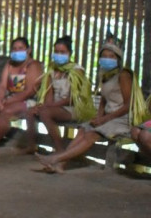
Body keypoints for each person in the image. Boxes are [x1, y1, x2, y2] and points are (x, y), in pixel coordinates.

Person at [36, 40, 139, 174]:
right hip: (108, 117)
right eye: (104, 56)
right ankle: (60, 165)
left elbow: (128, 106)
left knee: (91, 134)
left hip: (122, 118)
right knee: (83, 130)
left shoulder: (124, 75)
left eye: (111, 56)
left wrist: (104, 119)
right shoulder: (106, 75)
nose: (107, 59)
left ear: (118, 59)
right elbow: (103, 100)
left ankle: (55, 158)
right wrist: (98, 117)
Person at [22, 36, 94, 154]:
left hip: (73, 108)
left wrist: (49, 107)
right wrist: (43, 105)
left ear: (69, 53)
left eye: (62, 52)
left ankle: (59, 149)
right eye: (56, 52)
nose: (58, 54)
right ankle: (31, 146)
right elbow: (49, 95)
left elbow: (72, 99)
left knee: (45, 113)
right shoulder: (52, 70)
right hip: (55, 107)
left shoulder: (77, 71)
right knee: (30, 111)